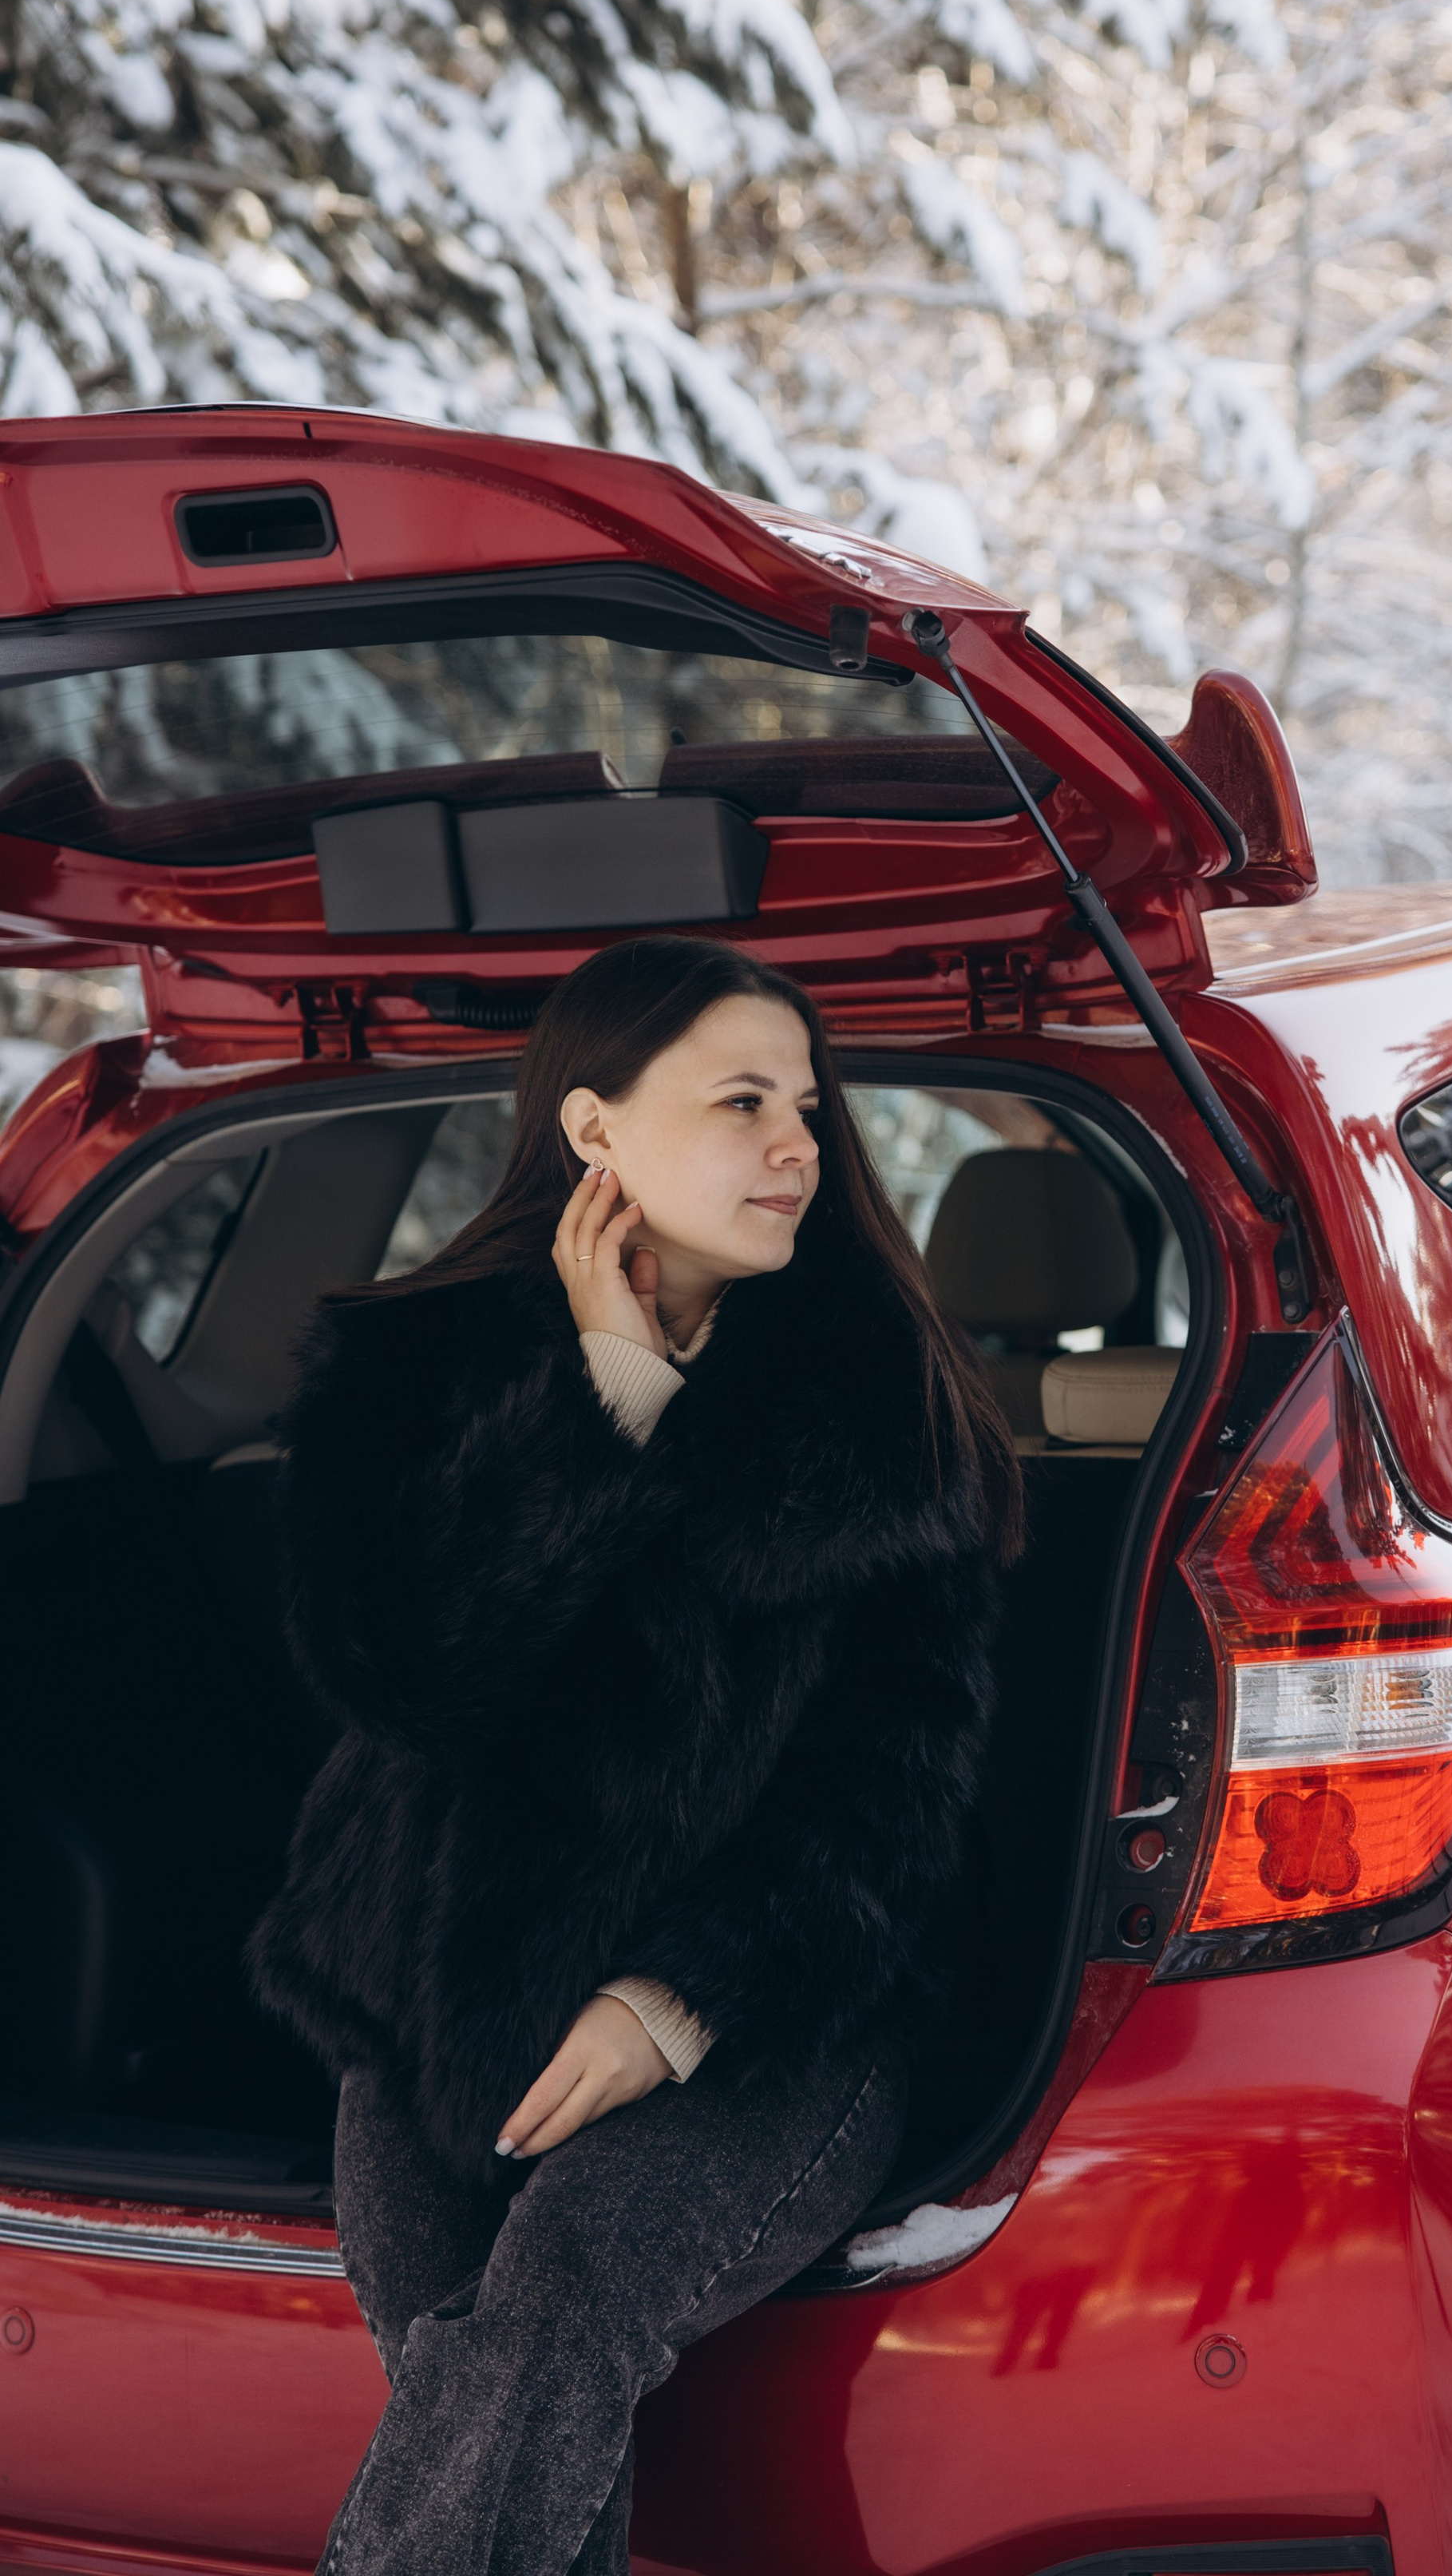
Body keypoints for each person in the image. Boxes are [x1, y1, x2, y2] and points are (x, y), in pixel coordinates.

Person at [248, 933, 1016, 2576]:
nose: (800, 1146)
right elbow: (405, 1679)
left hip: (774, 2020)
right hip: (436, 2001)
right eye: (742, 1102)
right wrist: (608, 1397)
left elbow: (894, 1803)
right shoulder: (408, 1371)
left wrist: (674, 2003)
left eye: (804, 1105)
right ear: (592, 1133)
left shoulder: (886, 1413)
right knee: (484, 2363)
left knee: (560, 2295)